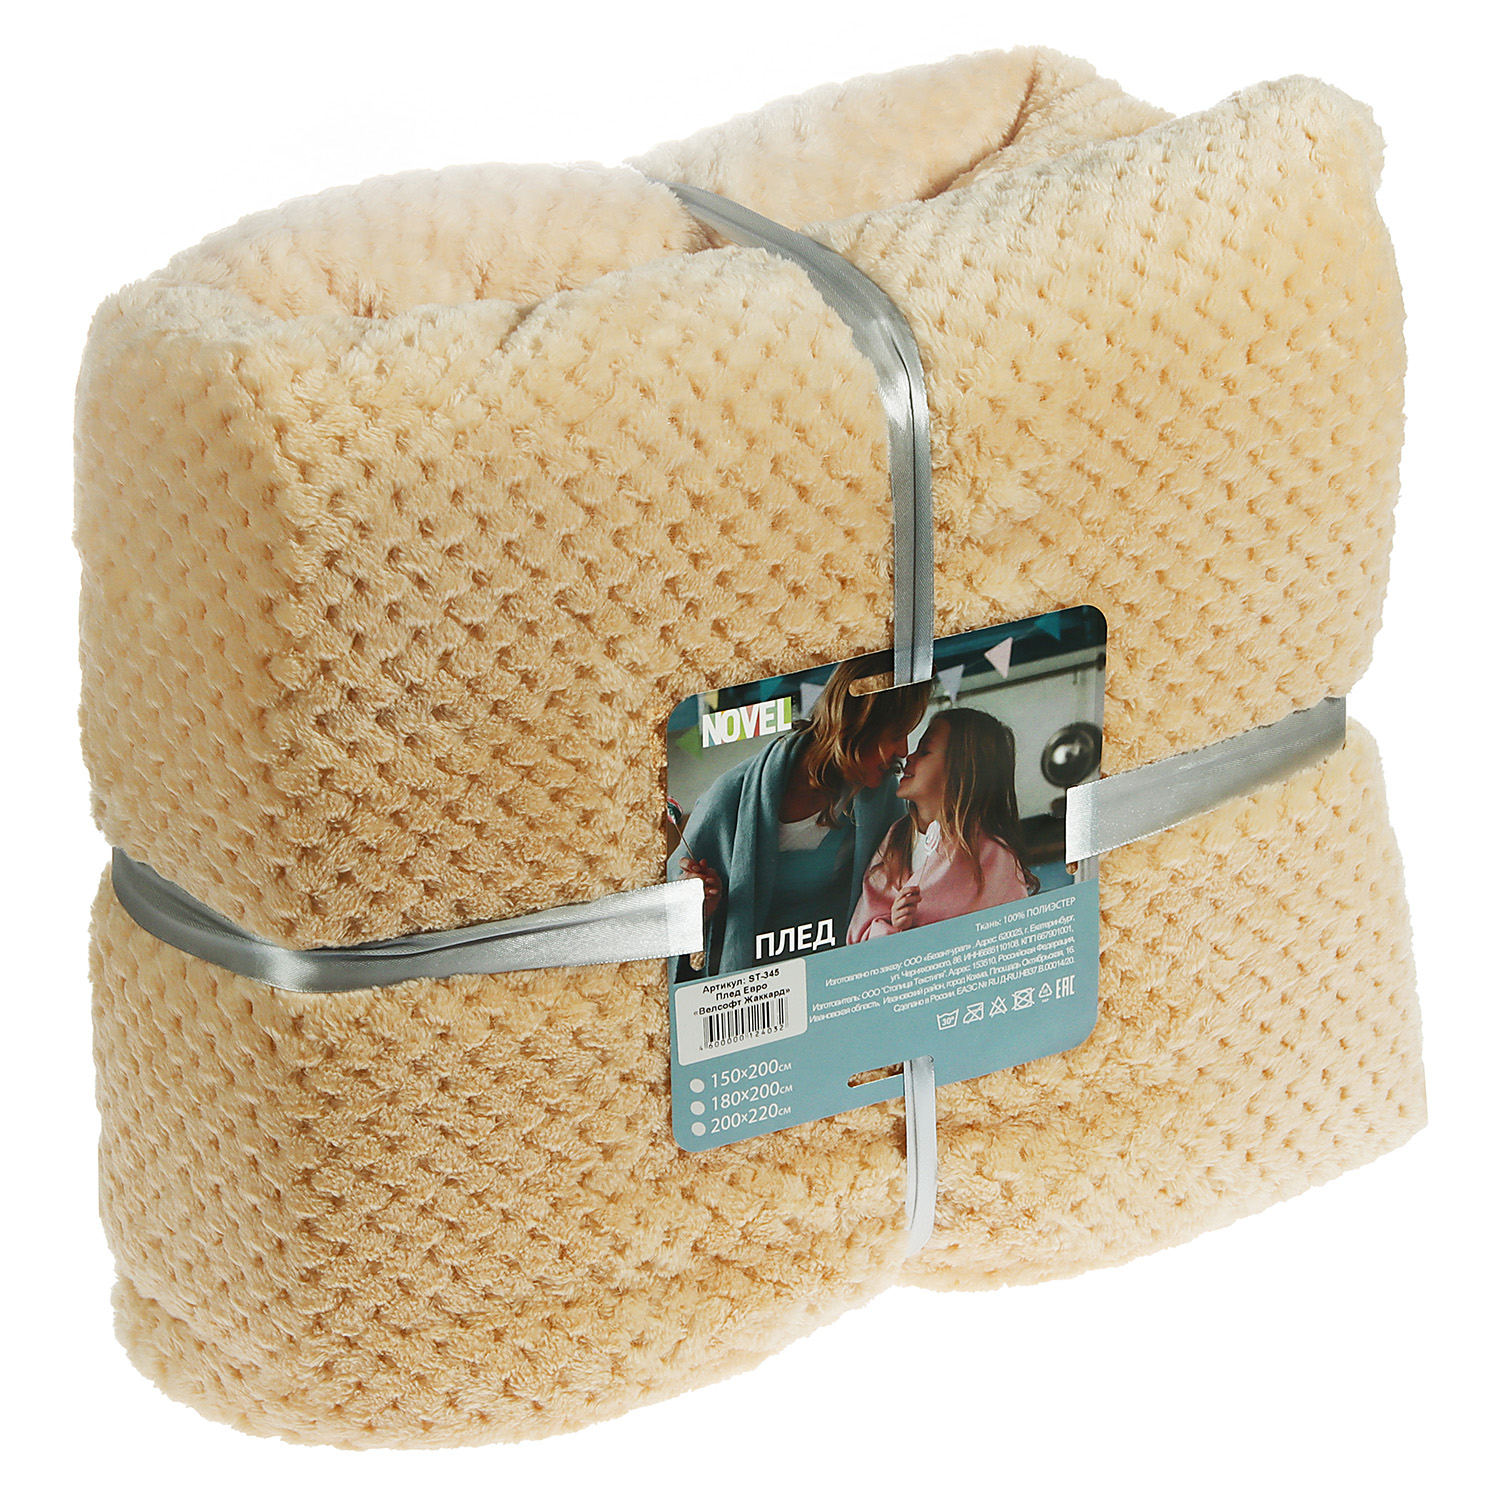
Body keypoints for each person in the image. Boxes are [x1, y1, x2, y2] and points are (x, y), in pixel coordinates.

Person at [674, 660, 930, 977]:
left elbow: (897, 890)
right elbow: (666, 925)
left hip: (838, 976)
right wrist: (695, 909)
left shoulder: (882, 797)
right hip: (754, 985)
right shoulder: (727, 800)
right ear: (856, 722)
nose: (904, 750)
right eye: (896, 734)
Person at [847, 707, 1039, 942]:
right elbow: (860, 934)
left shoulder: (991, 855)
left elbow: (1010, 936)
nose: (909, 757)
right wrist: (893, 929)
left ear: (961, 770)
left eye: (925, 751)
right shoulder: (896, 839)